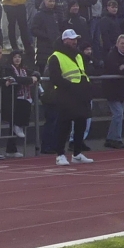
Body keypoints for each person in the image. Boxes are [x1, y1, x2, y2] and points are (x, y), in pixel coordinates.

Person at [44, 28, 94, 165]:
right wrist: (70, 87)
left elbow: (83, 72)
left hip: (80, 94)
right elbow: (55, 77)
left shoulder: (78, 55)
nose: (75, 41)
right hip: (65, 94)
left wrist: (86, 86)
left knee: (81, 123)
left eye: (76, 39)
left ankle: (77, 153)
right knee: (63, 125)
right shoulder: (55, 56)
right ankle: (60, 154)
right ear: (64, 40)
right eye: (72, 39)